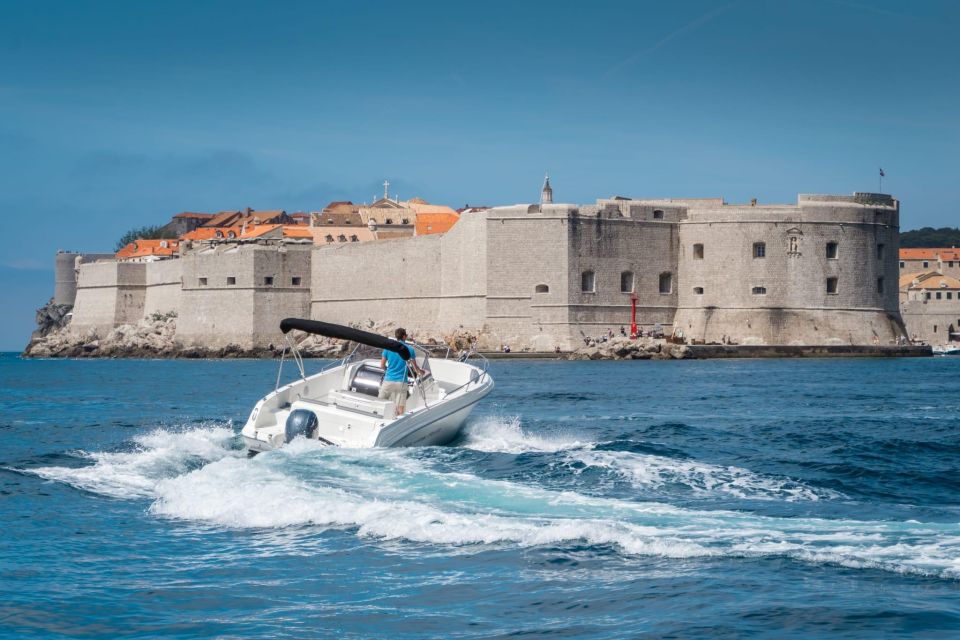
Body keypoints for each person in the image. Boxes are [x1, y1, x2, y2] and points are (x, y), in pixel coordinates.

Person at [379, 327, 424, 415]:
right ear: (404, 336)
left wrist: (387, 371)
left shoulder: (388, 348)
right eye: (406, 335)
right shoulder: (410, 349)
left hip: (388, 380)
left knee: (380, 403)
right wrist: (421, 372)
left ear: (396, 336)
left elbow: (382, 365)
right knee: (400, 408)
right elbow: (415, 368)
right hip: (401, 382)